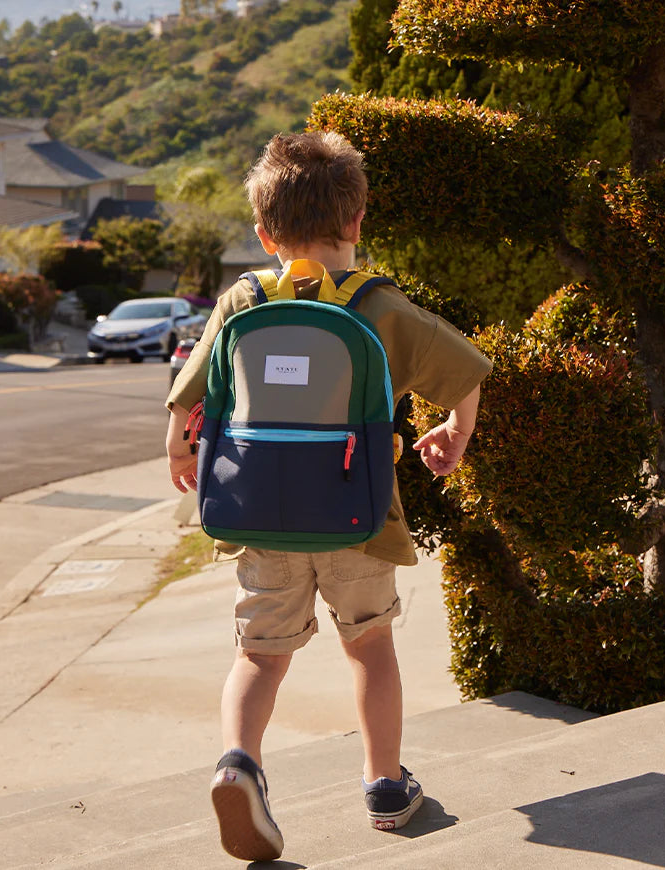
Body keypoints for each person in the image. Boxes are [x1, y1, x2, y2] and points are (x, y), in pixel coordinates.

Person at [165, 131, 492, 861]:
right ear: (356, 223)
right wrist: (454, 431)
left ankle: (238, 764)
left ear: (262, 231)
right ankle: (384, 785)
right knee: (369, 646)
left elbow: (188, 401)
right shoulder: (378, 305)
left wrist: (179, 449)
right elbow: (465, 371)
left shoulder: (242, 298)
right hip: (358, 517)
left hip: (260, 518)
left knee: (258, 656)